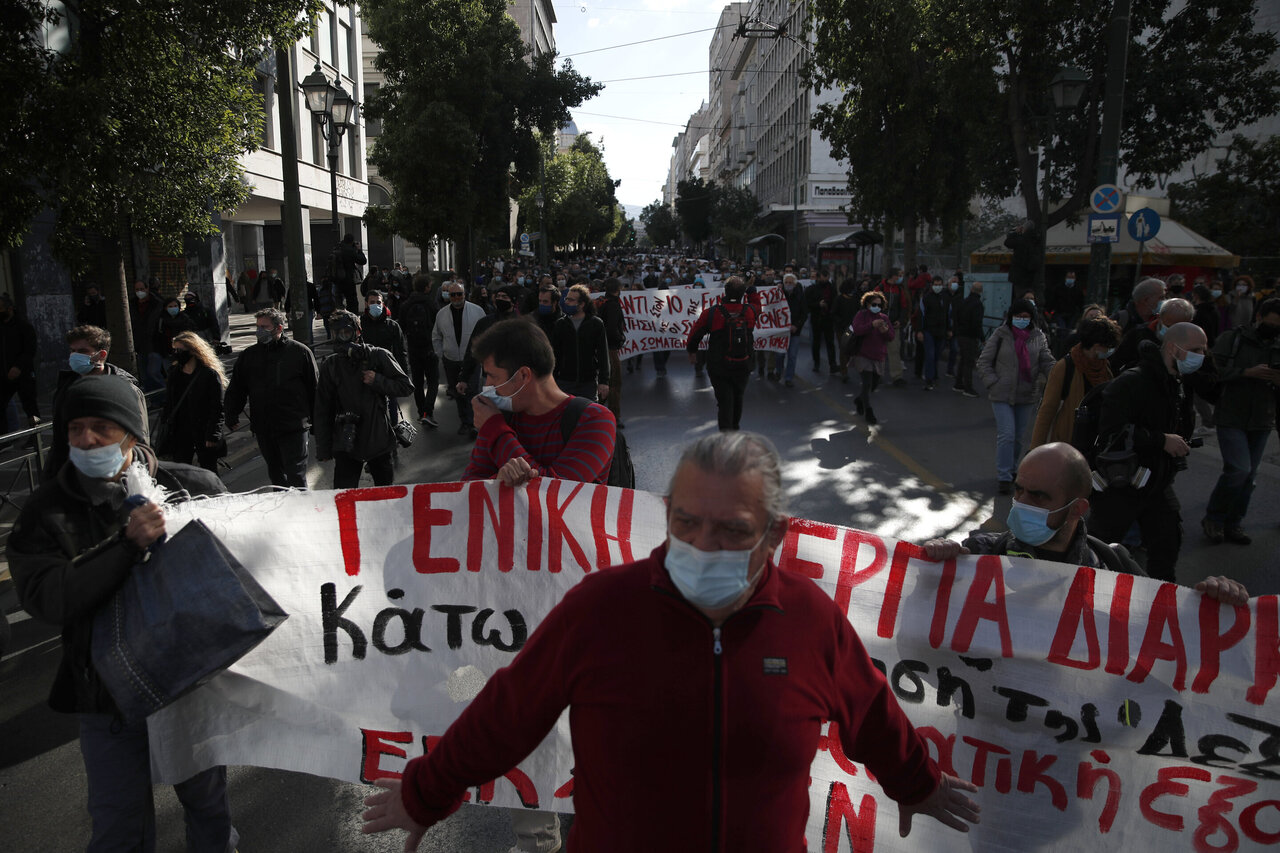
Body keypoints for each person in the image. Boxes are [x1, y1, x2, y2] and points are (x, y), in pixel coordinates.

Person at [362, 431, 980, 851]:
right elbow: (507, 713)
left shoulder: (809, 618)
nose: (702, 545)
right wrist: (425, 792)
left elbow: (871, 710)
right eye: (686, 522)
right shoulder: (600, 609)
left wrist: (915, 783)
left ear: (776, 534)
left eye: (732, 530)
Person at [7, 374, 238, 853]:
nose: (86, 438)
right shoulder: (47, 508)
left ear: (132, 434)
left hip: (188, 688)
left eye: (101, 427)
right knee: (118, 828)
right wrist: (126, 546)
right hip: (106, 699)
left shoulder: (192, 486)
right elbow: (49, 598)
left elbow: (247, 573)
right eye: (74, 428)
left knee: (209, 809)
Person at [920, 443, 1248, 606]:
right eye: (1019, 490)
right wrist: (930, 572)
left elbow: (1166, 627)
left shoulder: (1114, 567)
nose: (1021, 503)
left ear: (1077, 508)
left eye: (1038, 496)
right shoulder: (979, 554)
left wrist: (1215, 605)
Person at [1087, 323, 1206, 583]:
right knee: (1096, 549)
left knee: (1167, 546)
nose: (1202, 356)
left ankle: (1160, 606)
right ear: (1173, 348)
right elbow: (1111, 431)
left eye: (1204, 350)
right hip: (1120, 483)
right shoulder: (1133, 381)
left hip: (1158, 482)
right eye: (1196, 350)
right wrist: (1160, 440)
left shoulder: (1178, 382)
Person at [461, 318, 616, 486]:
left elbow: (556, 492)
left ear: (523, 375)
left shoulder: (595, 420)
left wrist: (494, 429)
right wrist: (498, 481)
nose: (487, 385)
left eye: (492, 376)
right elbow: (469, 487)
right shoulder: (501, 415)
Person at [1200, 298, 1280, 545]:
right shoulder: (1233, 339)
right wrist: (1246, 373)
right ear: (1258, 317)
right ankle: (1214, 518)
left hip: (1263, 418)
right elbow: (1212, 370)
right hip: (1231, 415)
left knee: (1250, 476)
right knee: (1239, 470)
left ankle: (1233, 522)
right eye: (1272, 324)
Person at [314, 310, 413, 489]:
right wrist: (324, 447)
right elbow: (322, 408)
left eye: (346, 332)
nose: (342, 338)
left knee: (385, 495)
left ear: (357, 332)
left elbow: (405, 386)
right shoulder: (331, 365)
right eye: (337, 333)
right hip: (346, 441)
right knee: (343, 498)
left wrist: (378, 381)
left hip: (378, 439)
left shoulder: (378, 356)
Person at [224, 308, 319, 489]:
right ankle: (282, 513)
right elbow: (237, 387)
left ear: (279, 328)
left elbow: (314, 389)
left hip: (294, 426)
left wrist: (318, 424)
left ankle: (301, 511)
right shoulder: (249, 356)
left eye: (264, 327)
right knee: (276, 475)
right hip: (264, 427)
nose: (259, 331)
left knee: (296, 474)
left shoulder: (300, 353)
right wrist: (231, 413)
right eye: (258, 326)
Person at [44, 325, 148, 482]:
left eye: (82, 351)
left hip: (115, 477)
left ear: (101, 354)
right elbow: (59, 440)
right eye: (72, 350)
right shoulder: (66, 388)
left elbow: (140, 438)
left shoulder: (126, 390)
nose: (74, 355)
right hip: (73, 477)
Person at [976, 299, 1054, 494]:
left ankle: (1012, 470)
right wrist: (993, 382)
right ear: (1011, 317)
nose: (1021, 319)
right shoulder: (1001, 334)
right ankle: (1004, 476)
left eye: (1025, 316)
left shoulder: (1038, 337)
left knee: (1019, 438)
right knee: (1007, 435)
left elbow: (1046, 361)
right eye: (1017, 316)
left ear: (1031, 318)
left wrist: (1059, 375)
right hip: (1002, 393)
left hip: (1027, 394)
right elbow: (984, 361)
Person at [1030, 316, 1122, 449]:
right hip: (1068, 442)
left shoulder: (1105, 367)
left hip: (1095, 443)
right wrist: (1035, 450)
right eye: (1108, 347)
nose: (1110, 352)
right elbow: (1047, 411)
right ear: (1096, 346)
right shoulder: (1065, 367)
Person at [686, 276, 757, 431]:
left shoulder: (712, 313)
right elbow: (757, 305)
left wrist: (692, 351)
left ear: (724, 291)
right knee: (738, 397)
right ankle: (735, 428)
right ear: (742, 294)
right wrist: (752, 289)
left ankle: (726, 435)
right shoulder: (750, 312)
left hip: (719, 366)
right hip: (743, 364)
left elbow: (695, 333)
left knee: (725, 402)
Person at [157, 331, 227, 473]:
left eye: (180, 350)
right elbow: (169, 404)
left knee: (209, 471)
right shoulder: (174, 373)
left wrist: (213, 434)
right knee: (182, 471)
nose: (176, 353)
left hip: (203, 430)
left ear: (194, 351)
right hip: (181, 431)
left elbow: (217, 407)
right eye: (174, 350)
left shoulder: (208, 374)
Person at [433, 281, 488, 437]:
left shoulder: (477, 311)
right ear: (448, 296)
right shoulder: (441, 314)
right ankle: (465, 422)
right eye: (453, 295)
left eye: (459, 294)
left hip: (472, 359)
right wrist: (441, 353)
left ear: (465, 294)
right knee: (458, 392)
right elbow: (436, 336)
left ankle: (474, 423)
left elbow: (486, 335)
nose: (456, 297)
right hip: (451, 360)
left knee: (473, 391)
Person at [550, 284, 610, 402]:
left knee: (587, 417)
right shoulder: (560, 324)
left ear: (582, 304)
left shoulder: (595, 324)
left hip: (588, 382)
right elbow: (555, 353)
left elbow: (603, 354)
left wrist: (604, 381)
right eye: (566, 298)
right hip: (564, 381)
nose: (566, 302)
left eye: (571, 300)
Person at [847, 290, 896, 425]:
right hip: (863, 354)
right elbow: (857, 330)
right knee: (867, 383)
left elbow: (891, 336)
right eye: (874, 304)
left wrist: (885, 331)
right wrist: (871, 325)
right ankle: (868, 410)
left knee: (874, 384)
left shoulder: (884, 318)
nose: (877, 307)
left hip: (878, 355)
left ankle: (859, 399)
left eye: (879, 305)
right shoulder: (861, 315)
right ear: (867, 304)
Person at [398, 277, 441, 428]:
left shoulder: (406, 305)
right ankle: (428, 413)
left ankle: (421, 412)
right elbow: (438, 324)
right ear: (427, 288)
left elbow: (401, 327)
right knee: (433, 381)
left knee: (417, 382)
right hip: (429, 347)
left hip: (413, 348)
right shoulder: (430, 303)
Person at [1109, 296, 1193, 373]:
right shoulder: (1138, 334)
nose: (1173, 331)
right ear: (1159, 317)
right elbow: (1116, 362)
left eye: (1178, 327)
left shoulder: (1194, 341)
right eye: (1169, 326)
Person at [0, 294, 40, 431]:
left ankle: (36, 436)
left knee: (30, 406)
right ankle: (5, 437)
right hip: (4, 374)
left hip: (23, 374)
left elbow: (30, 350)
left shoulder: (23, 326)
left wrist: (18, 366)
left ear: (9, 309)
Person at [874, 268, 911, 385]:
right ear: (892, 276)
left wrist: (900, 320)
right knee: (878, 350)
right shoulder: (879, 288)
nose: (899, 278)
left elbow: (904, 307)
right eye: (898, 275)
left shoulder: (899, 290)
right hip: (880, 324)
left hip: (893, 324)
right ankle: (877, 374)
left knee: (894, 350)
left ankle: (897, 376)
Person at [600, 277, 627, 426]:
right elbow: (611, 329)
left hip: (602, 347)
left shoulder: (602, 302)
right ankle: (614, 416)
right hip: (610, 348)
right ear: (618, 289)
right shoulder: (613, 305)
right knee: (615, 383)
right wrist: (620, 338)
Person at [916, 275, 951, 391]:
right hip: (929, 330)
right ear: (932, 285)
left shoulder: (945, 298)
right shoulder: (926, 298)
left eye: (939, 284)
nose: (938, 287)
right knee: (930, 355)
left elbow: (948, 315)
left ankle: (933, 376)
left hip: (941, 331)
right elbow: (921, 315)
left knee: (936, 356)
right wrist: (919, 331)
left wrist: (949, 329)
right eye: (935, 285)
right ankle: (929, 379)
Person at [774, 273, 809, 386]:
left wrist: (796, 326)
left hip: (794, 332)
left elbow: (804, 314)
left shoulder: (800, 296)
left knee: (792, 356)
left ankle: (789, 378)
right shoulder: (778, 294)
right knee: (779, 355)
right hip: (781, 331)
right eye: (786, 282)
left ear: (795, 284)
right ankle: (778, 371)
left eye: (790, 283)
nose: (788, 285)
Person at [953, 279, 984, 397]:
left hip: (961, 334)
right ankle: (968, 387)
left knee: (963, 359)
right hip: (970, 336)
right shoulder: (978, 305)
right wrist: (982, 338)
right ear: (980, 292)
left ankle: (958, 383)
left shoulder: (963, 302)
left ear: (971, 289)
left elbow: (956, 317)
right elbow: (977, 323)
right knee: (969, 362)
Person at [805, 270, 837, 373]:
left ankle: (832, 364)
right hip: (817, 318)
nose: (826, 279)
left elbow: (835, 301)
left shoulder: (831, 288)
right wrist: (818, 304)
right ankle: (816, 362)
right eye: (824, 276)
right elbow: (807, 303)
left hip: (828, 319)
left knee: (830, 342)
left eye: (827, 277)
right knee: (816, 343)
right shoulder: (812, 289)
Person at [335, 234, 367, 312]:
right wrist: (359, 250)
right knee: (352, 302)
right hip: (348, 279)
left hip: (336, 279)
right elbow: (362, 261)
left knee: (338, 302)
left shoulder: (337, 248)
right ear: (352, 241)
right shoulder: (350, 250)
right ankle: (352, 319)